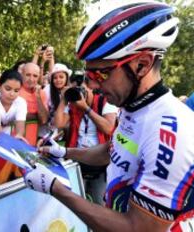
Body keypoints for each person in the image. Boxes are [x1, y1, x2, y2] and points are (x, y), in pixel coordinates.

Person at [23, 1, 194, 231]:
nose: (91, 85)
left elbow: (138, 228)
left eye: (100, 74)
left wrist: (56, 189)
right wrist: (65, 152)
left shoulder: (171, 132)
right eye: (88, 74)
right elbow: (112, 151)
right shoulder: (133, 107)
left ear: (142, 64)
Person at [54, 72, 117, 205]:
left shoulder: (105, 102)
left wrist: (87, 108)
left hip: (100, 162)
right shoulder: (73, 105)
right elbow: (59, 124)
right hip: (77, 160)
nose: (80, 96)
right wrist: (64, 100)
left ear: (90, 88)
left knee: (100, 203)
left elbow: (109, 128)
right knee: (75, 203)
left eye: (82, 91)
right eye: (77, 91)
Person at [19, 62, 49, 146]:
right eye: (28, 75)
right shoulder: (15, 89)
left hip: (31, 143)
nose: (31, 79)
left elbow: (43, 120)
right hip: (13, 139)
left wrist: (38, 97)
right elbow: (11, 115)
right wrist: (36, 116)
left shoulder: (41, 93)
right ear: (22, 75)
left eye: (35, 76)